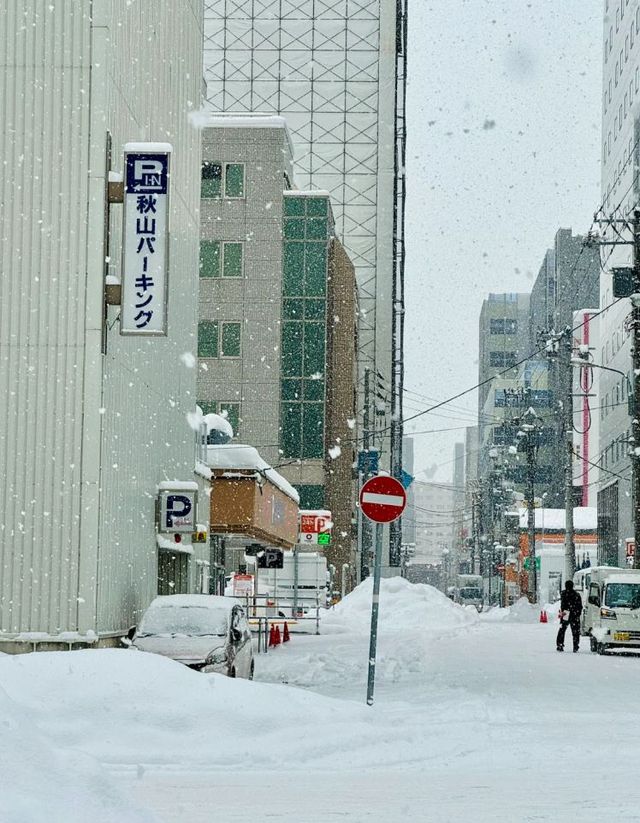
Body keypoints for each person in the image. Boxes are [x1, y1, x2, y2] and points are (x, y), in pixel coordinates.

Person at [556, 579, 583, 653]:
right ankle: (575, 646)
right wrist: (577, 613)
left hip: (566, 613)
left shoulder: (564, 594)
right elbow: (580, 606)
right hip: (574, 614)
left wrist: (563, 612)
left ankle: (560, 645)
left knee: (562, 630)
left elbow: (563, 605)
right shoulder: (576, 594)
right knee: (575, 631)